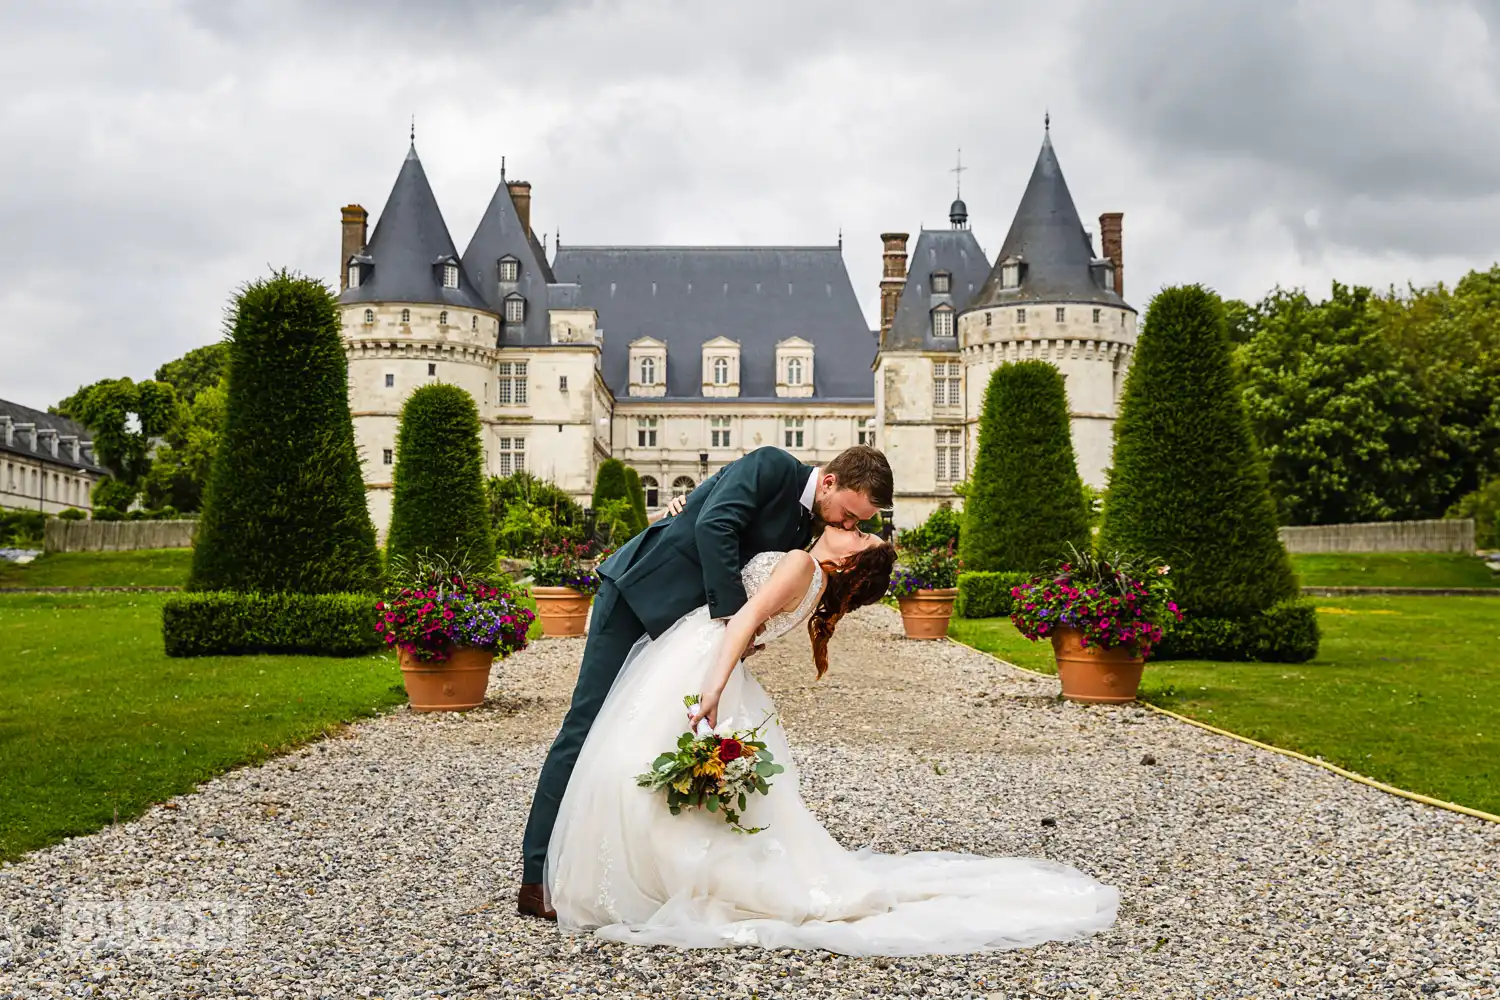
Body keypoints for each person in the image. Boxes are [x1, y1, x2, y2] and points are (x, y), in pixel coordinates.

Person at [543, 514, 1120, 954]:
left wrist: (712, 687)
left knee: (630, 758)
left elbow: (743, 621)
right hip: (707, 655)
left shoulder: (800, 563)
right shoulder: (812, 577)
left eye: (860, 536)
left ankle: (640, 877)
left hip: (703, 661)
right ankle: (652, 872)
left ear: (850, 565)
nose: (852, 527)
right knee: (643, 763)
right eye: (857, 526)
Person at [517, 445, 894, 920]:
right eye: (848, 515)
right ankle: (536, 878)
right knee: (586, 726)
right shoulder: (772, 465)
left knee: (647, 741)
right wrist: (733, 619)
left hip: (686, 631)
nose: (845, 526)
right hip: (640, 595)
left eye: (855, 523)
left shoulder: (810, 525)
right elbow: (714, 525)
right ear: (829, 483)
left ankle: (618, 865)